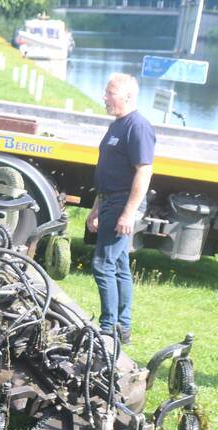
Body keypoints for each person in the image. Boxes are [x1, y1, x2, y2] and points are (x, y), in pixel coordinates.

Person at [86, 73, 155, 345]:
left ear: (127, 96)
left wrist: (128, 212)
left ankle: (108, 329)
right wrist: (95, 208)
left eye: (110, 93)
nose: (104, 97)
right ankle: (122, 327)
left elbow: (144, 172)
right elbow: (107, 172)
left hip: (124, 202)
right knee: (119, 264)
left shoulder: (137, 127)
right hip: (109, 199)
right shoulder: (117, 125)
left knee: (103, 264)